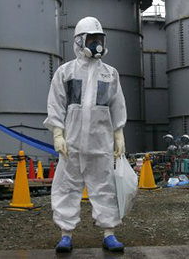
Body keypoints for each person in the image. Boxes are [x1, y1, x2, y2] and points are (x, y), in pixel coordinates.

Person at [44, 16, 127, 253]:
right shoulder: (66, 72)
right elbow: (56, 103)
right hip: (71, 144)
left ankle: (109, 233)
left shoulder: (110, 74)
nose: (96, 43)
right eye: (91, 39)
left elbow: (117, 105)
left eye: (99, 39)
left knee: (104, 187)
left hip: (100, 143)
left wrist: (118, 134)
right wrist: (58, 133)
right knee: (66, 187)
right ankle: (65, 234)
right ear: (80, 41)